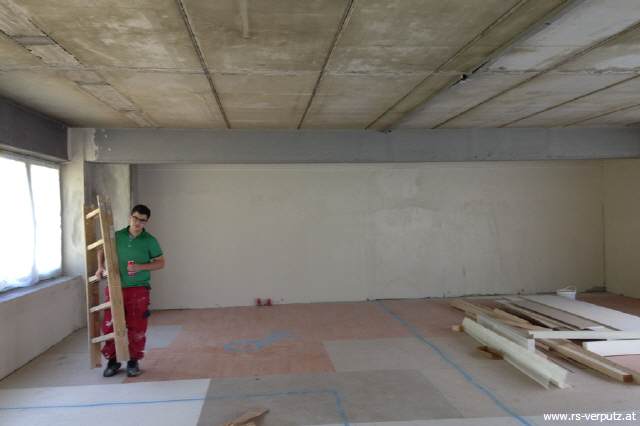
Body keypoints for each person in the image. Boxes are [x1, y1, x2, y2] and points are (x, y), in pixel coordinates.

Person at [95, 204, 165, 377]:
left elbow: (161, 263)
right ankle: (113, 361)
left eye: (142, 220)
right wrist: (100, 267)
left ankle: (133, 361)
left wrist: (140, 267)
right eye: (135, 218)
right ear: (130, 217)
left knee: (137, 326)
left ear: (146, 222)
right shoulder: (117, 236)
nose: (137, 222)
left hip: (138, 289)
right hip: (115, 286)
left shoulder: (150, 240)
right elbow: (101, 250)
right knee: (111, 325)